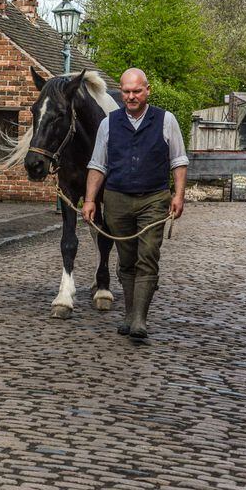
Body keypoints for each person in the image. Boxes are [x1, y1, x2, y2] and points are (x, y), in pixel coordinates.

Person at [81, 68, 188, 342]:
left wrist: (178, 195)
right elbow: (97, 164)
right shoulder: (109, 123)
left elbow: (178, 160)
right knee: (126, 260)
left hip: (153, 198)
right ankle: (129, 315)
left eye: (136, 91)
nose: (131, 96)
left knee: (148, 255)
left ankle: (139, 319)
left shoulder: (166, 120)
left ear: (147, 90)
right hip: (117, 199)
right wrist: (91, 199)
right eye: (126, 91)